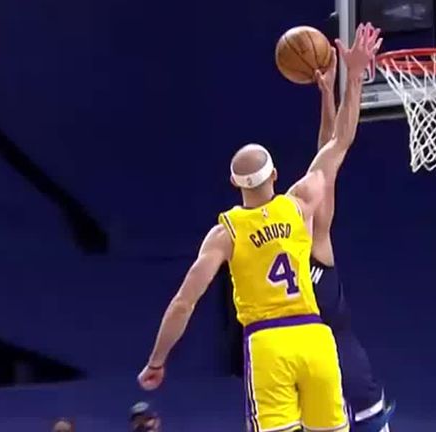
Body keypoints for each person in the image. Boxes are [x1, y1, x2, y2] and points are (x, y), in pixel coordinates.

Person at [136, 23, 381, 432]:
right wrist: (352, 76)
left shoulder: (226, 233)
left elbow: (183, 302)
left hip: (269, 342)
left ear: (234, 184)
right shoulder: (300, 204)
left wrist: (157, 360)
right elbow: (337, 145)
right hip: (316, 339)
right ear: (277, 174)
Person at [310, 30, 393, 432]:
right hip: (310, 370)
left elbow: (329, 155)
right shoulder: (292, 234)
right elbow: (333, 152)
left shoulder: (303, 232)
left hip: (340, 366)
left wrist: (331, 95)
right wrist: (353, 78)